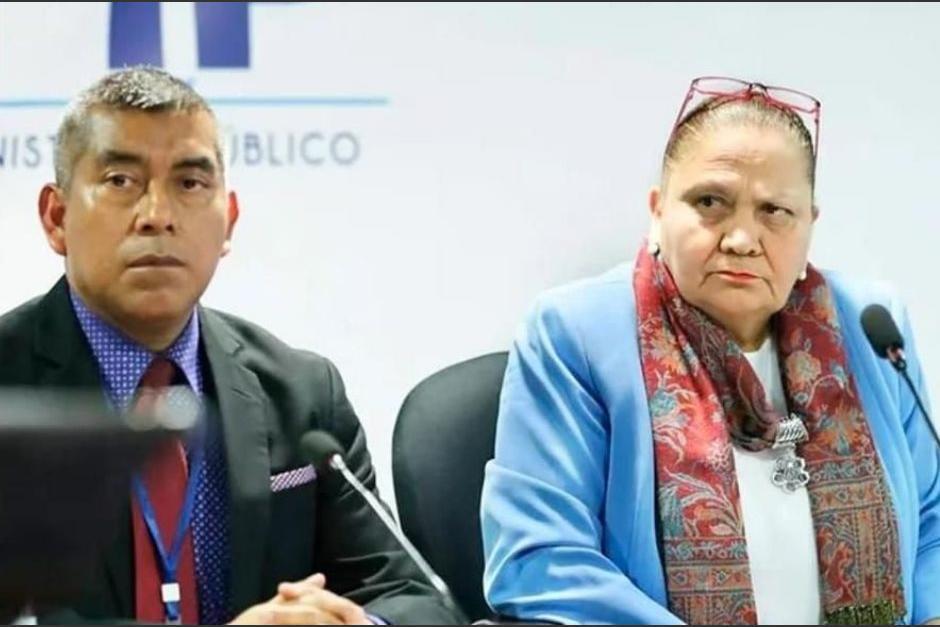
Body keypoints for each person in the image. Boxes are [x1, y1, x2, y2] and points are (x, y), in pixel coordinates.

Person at [0, 66, 463, 626]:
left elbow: (415, 596)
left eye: (190, 184)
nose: (158, 216)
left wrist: (353, 624)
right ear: (57, 217)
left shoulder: (301, 394)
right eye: (121, 180)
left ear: (230, 221)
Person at [480, 76, 940, 625]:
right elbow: (540, 558)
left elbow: (932, 521)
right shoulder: (576, 334)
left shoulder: (868, 326)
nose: (742, 239)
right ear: (657, 211)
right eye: (710, 202)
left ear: (809, 226)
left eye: (775, 211)